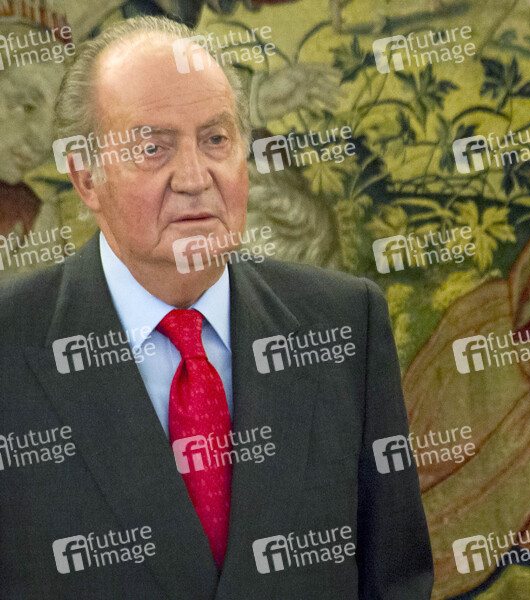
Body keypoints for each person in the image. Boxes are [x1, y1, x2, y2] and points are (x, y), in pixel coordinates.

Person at [0, 16, 432, 599]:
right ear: (86, 177)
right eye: (152, 148)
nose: (193, 177)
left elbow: (396, 580)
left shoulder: (345, 323)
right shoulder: (12, 345)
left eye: (216, 140)